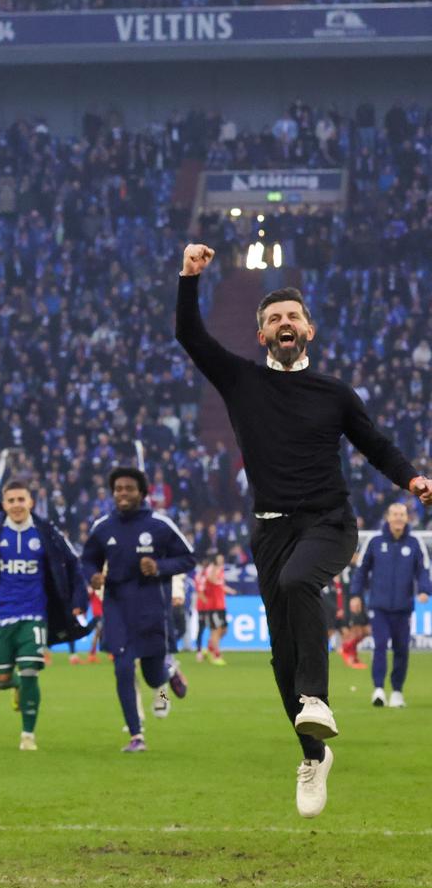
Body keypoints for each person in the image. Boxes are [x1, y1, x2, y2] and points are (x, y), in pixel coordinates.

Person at [175, 245, 432, 818]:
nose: (284, 324)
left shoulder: (336, 394)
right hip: (269, 532)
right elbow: (191, 337)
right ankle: (313, 756)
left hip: (330, 524)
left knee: (298, 586)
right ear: (261, 333)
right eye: (274, 319)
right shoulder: (240, 381)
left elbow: (376, 447)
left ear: (308, 329)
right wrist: (190, 278)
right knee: (279, 661)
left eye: (293, 316)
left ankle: (317, 696)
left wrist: (412, 478)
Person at [0, 475, 88, 752]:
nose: (16, 505)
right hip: (0, 616)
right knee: (0, 679)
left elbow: (73, 564)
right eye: (11, 500)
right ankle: (15, 686)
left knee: (30, 670)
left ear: (31, 502)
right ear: (3, 504)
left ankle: (28, 735)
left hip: (34, 614)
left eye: (21, 500)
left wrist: (78, 600)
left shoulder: (46, 531)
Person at [80, 467, 194, 752]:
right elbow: (88, 560)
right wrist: (92, 576)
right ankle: (136, 735)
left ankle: (169, 674)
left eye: (129, 488)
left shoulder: (160, 525)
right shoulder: (103, 527)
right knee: (121, 669)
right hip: (117, 607)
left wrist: (159, 567)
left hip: (151, 607)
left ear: (142, 493)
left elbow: (188, 558)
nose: (123, 494)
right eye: (118, 489)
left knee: (153, 674)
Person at [349, 502, 432, 708]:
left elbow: (423, 570)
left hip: (403, 609)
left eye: (401, 514)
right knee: (379, 646)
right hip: (379, 607)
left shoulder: (415, 543)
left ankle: (396, 692)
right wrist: (356, 594)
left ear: (407, 518)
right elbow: (361, 570)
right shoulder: (375, 542)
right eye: (394, 514)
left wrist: (424, 590)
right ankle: (378, 690)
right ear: (388, 517)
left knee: (402, 649)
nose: (398, 518)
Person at [202, 552, 234, 665]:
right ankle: (216, 656)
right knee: (215, 630)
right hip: (213, 606)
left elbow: (220, 584)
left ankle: (210, 647)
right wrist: (215, 569)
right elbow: (211, 580)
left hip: (221, 605)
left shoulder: (220, 570)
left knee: (224, 630)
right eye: (220, 558)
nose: (222, 560)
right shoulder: (211, 569)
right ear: (214, 559)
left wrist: (229, 590)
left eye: (222, 558)